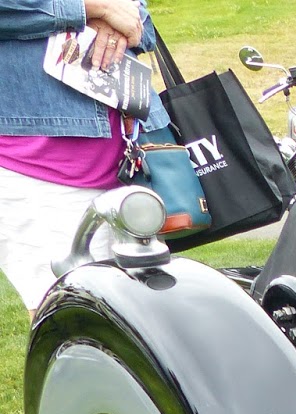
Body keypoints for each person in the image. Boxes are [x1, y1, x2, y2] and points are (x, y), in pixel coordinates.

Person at [0, 0, 169, 314]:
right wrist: (91, 10)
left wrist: (115, 20)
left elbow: (139, 20)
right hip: (37, 169)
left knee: (147, 323)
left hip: (132, 165)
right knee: (76, 320)